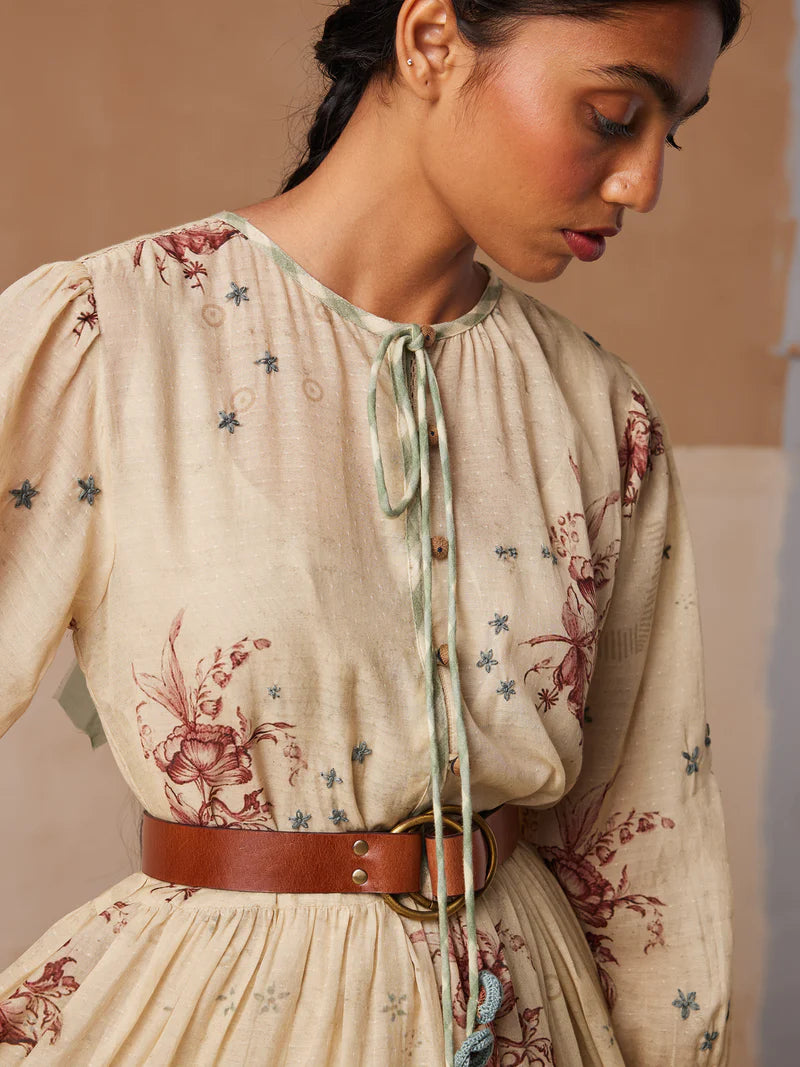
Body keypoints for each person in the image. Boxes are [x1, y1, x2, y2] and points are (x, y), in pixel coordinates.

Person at [0, 0, 742, 1063]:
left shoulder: (596, 412)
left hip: (529, 1012)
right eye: (612, 115)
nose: (641, 183)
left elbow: (642, 837)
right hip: (230, 1021)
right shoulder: (112, 335)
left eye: (669, 135)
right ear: (431, 40)